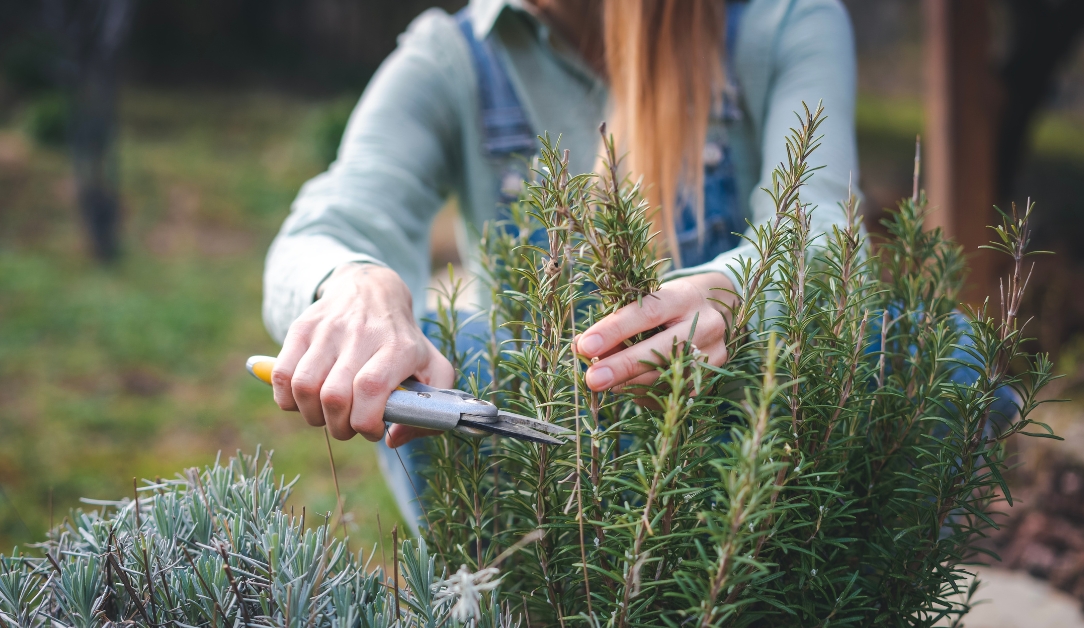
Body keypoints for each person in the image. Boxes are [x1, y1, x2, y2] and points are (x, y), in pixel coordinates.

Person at [261, 0, 860, 527]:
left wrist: (740, 294)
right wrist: (357, 285)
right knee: (448, 346)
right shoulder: (454, 56)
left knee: (927, 343)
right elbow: (328, 226)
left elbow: (824, 229)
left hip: (749, 466)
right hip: (542, 488)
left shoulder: (782, 21)